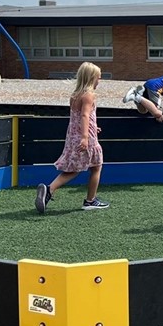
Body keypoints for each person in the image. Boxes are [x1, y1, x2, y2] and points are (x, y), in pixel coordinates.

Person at [35, 62, 108, 214]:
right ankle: (90, 200)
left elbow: (79, 118)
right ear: (91, 78)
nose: (99, 81)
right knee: (96, 166)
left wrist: (93, 127)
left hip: (73, 136)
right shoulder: (89, 95)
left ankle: (49, 190)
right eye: (98, 78)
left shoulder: (75, 95)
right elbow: (84, 115)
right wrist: (85, 136)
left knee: (76, 168)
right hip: (85, 138)